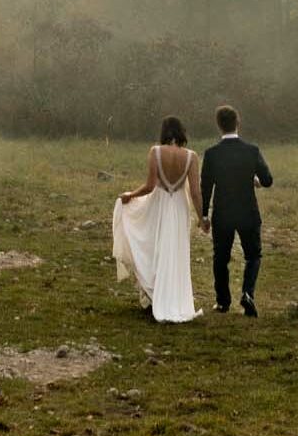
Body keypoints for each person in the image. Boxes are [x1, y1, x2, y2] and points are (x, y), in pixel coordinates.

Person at [111, 116, 203, 322]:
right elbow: (196, 192)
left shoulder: (155, 152)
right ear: (182, 133)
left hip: (159, 203)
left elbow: (150, 186)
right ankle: (174, 298)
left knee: (154, 246)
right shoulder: (191, 157)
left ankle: (153, 293)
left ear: (164, 132)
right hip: (179, 207)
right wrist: (202, 218)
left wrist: (130, 195)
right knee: (176, 250)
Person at [199, 104, 274, 316]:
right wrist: (256, 180)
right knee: (253, 255)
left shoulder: (212, 154)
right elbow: (268, 180)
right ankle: (247, 293)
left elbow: (205, 187)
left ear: (218, 126)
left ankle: (223, 301)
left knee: (220, 258)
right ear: (237, 123)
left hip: (223, 213)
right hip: (248, 212)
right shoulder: (252, 151)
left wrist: (204, 215)